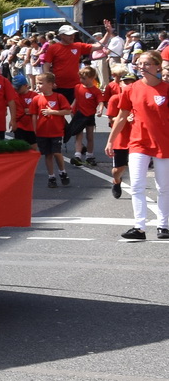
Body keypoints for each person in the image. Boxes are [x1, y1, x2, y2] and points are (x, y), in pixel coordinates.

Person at [114, 51, 169, 241]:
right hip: (138, 143)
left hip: (164, 143)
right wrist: (111, 140)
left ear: (157, 66)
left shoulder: (166, 89)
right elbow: (122, 116)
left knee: (164, 187)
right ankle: (139, 228)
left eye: (146, 64)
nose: (142, 67)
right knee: (137, 185)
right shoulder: (131, 89)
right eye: (139, 63)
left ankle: (164, 226)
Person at [23, 74, 72, 187]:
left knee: (57, 152)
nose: (38, 86)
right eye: (37, 83)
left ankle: (62, 172)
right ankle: (51, 176)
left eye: (41, 83)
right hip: (42, 132)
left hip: (56, 131)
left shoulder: (59, 97)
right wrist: (35, 129)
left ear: (50, 84)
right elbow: (34, 115)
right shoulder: (36, 99)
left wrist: (53, 112)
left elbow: (67, 111)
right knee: (47, 154)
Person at [38, 25, 96, 103]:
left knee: (74, 108)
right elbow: (46, 65)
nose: (72, 37)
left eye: (73, 35)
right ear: (61, 35)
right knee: (59, 108)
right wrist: (49, 81)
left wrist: (108, 33)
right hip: (58, 85)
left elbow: (98, 46)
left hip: (75, 85)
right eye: (69, 35)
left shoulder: (78, 46)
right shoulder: (53, 48)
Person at [106, 69, 134, 200]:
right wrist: (124, 118)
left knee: (137, 168)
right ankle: (116, 181)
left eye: (131, 82)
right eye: (126, 82)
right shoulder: (115, 99)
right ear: (120, 84)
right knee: (118, 170)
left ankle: (137, 190)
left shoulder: (138, 98)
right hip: (120, 138)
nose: (128, 85)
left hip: (136, 139)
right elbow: (111, 118)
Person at [67, 66, 103, 167]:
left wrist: (100, 109)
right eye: (80, 78)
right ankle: (77, 155)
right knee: (78, 135)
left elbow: (100, 101)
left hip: (89, 115)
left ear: (92, 78)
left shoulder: (96, 91)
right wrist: (71, 107)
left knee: (89, 136)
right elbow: (76, 98)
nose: (81, 80)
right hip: (79, 114)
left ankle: (89, 156)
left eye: (84, 78)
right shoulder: (77, 87)